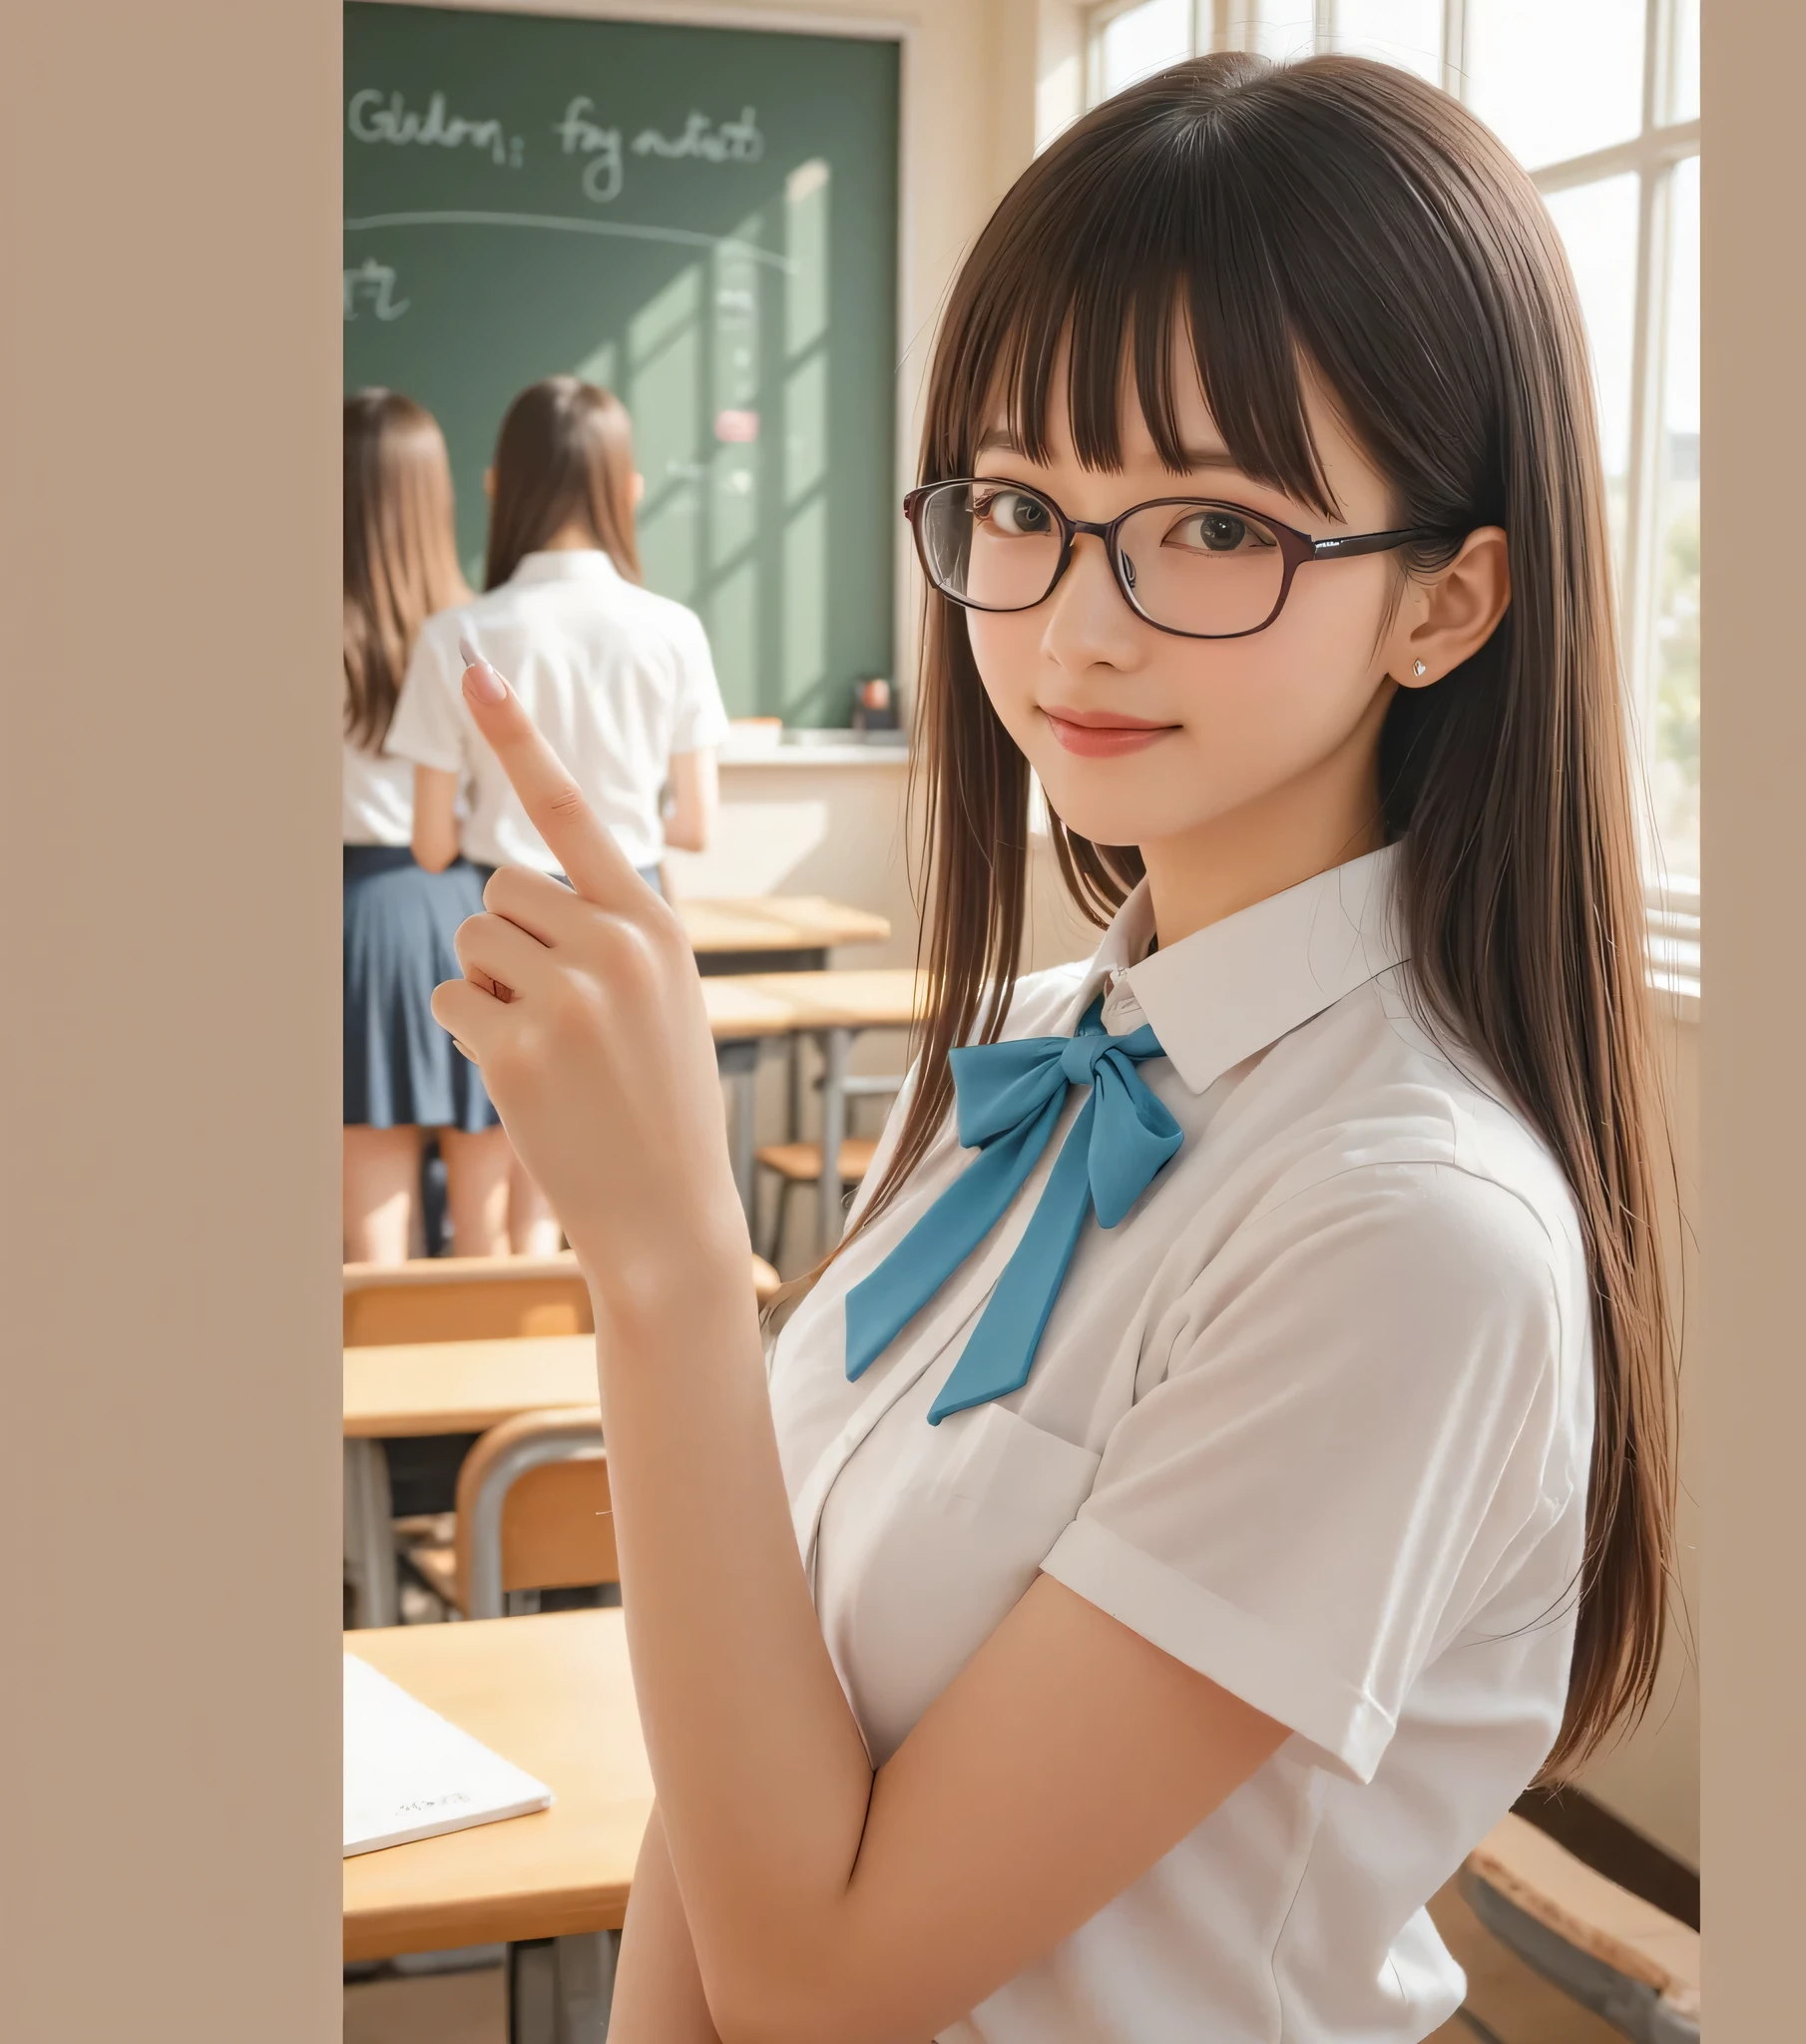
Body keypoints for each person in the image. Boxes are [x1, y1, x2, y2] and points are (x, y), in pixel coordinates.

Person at [431, 54, 1677, 2044]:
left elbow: (824, 1980)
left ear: (1447, 599)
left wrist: (660, 1255)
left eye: (1204, 526)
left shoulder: (1405, 1230)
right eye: (1022, 503)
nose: (1074, 628)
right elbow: (743, 1761)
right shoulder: (1034, 1044)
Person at [389, 375, 728, 1254]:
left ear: (500, 485)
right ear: (630, 490)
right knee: (590, 1189)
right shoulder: (674, 630)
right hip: (630, 915)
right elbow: (695, 825)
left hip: (495, 916)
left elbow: (429, 844)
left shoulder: (455, 636)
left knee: (481, 1182)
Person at [340, 389, 514, 1264]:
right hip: (468, 913)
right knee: (487, 1209)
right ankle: (493, 1401)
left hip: (351, 918)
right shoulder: (477, 632)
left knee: (370, 1217)